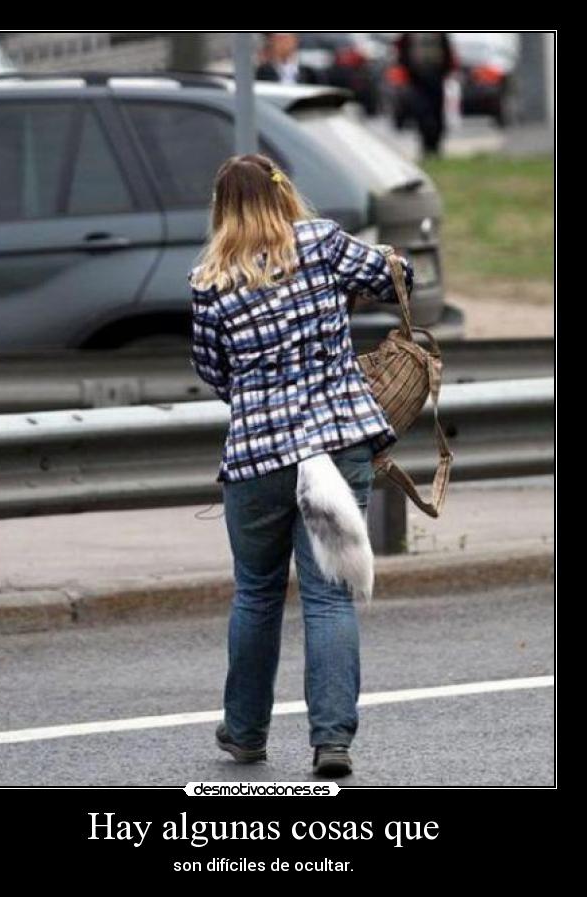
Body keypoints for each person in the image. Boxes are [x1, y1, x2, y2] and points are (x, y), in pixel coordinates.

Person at [187, 154, 414, 778]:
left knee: (257, 595)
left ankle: (244, 734)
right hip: (337, 447)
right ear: (284, 194)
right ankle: (332, 741)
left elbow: (212, 371)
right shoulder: (322, 243)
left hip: (258, 456)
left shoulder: (209, 279)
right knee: (329, 597)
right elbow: (397, 277)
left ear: (220, 209)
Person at [396, 32, 456, 157]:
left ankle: (434, 146)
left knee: (435, 114)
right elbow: (402, 53)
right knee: (424, 114)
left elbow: (447, 53)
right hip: (419, 80)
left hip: (434, 78)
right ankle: (428, 146)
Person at [255, 32, 320, 85]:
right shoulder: (262, 72)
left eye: (286, 39)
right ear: (272, 42)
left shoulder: (309, 73)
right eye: (278, 39)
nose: (283, 44)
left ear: (295, 40)